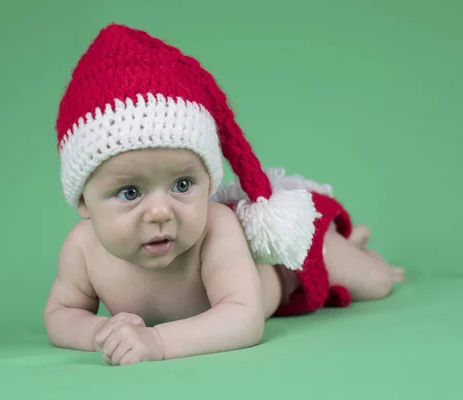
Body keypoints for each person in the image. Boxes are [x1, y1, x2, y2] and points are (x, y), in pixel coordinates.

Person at [43, 23, 406, 366]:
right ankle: (351, 246)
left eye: (182, 185)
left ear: (209, 181)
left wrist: (159, 342)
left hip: (290, 263)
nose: (159, 212)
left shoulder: (216, 228)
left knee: (376, 283)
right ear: (82, 201)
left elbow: (244, 318)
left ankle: (349, 249)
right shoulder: (82, 248)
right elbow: (61, 313)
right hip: (252, 283)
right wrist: (98, 333)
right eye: (129, 192)